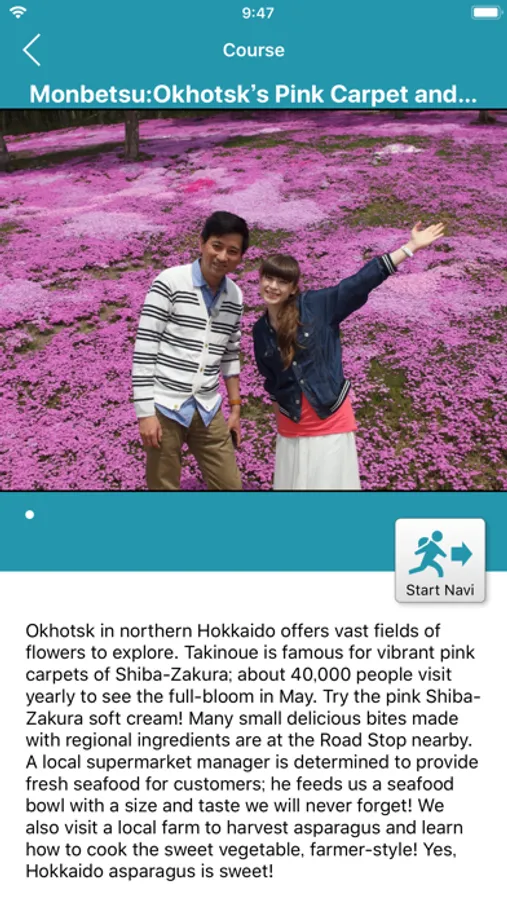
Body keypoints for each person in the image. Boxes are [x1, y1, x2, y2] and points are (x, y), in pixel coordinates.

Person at [253, 222, 445, 490]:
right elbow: (271, 380)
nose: (273, 286)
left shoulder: (316, 305)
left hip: (329, 419)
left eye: (282, 281)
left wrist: (409, 247)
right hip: (291, 426)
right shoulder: (260, 330)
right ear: (260, 279)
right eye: (268, 278)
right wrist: (281, 424)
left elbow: (359, 283)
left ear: (293, 288)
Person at [132, 211, 249, 490]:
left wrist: (235, 409)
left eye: (232, 251)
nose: (222, 256)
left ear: (240, 257)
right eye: (216, 246)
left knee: (230, 486)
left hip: (207, 406)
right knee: (164, 488)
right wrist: (145, 413)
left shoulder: (235, 296)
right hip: (164, 406)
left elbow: (230, 353)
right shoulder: (170, 282)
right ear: (202, 243)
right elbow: (145, 348)